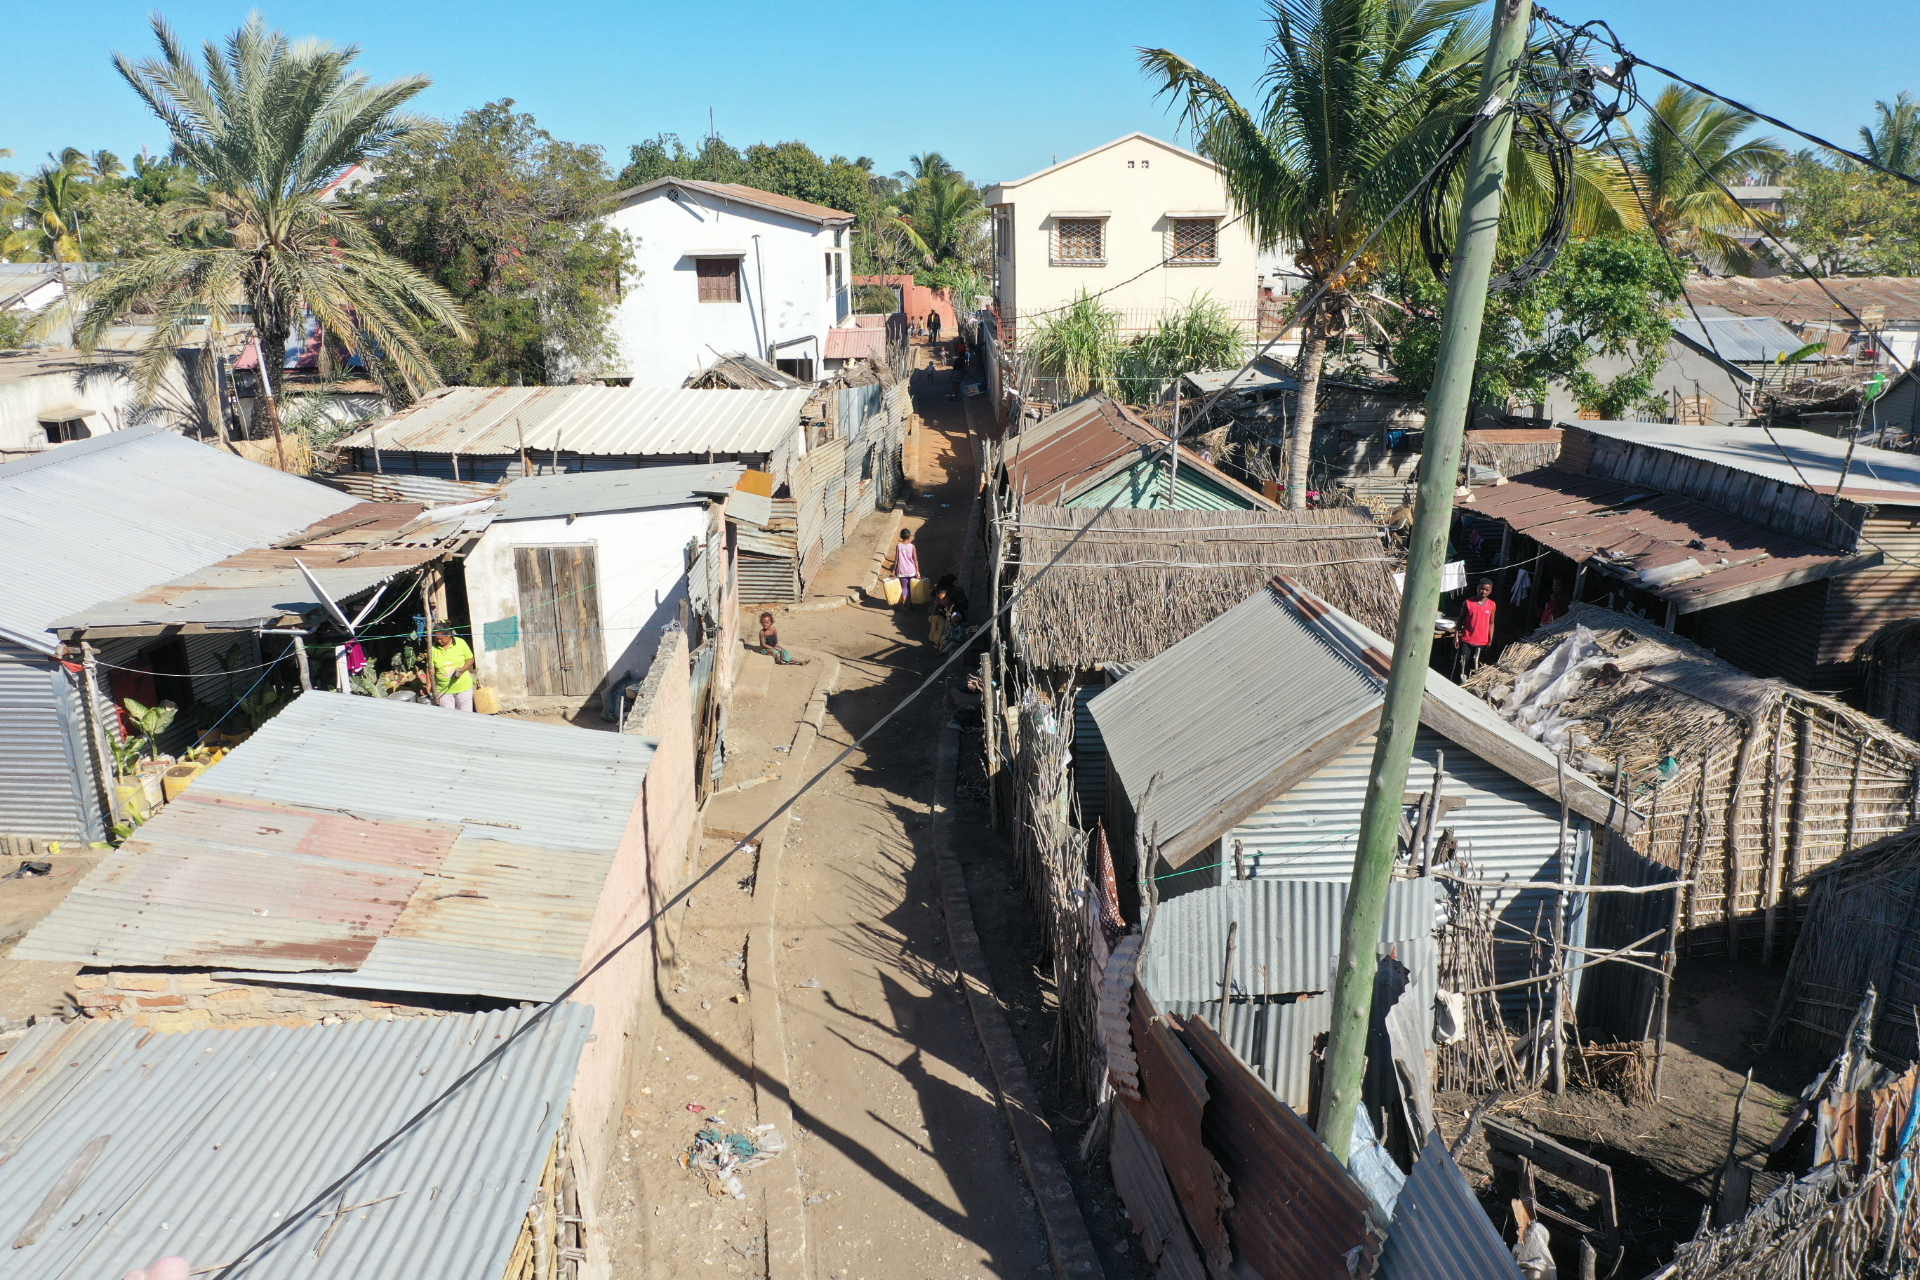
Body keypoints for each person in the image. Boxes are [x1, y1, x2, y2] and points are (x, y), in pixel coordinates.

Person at [423, 624, 477, 710]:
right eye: (436, 638)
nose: (439, 641)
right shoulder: (433, 649)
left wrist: (462, 670)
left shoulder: (460, 643)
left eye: (441, 638)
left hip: (463, 688)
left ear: (448, 635)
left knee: (465, 716)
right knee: (448, 717)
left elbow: (470, 659)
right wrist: (428, 684)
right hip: (443, 690)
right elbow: (430, 668)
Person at [1454, 578, 1497, 677]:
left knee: (1475, 663)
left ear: (1490, 591)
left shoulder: (1492, 605)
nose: (1484, 592)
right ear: (1477, 588)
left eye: (1487, 590)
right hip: (1467, 639)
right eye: (1482, 589)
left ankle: (1471, 683)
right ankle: (1460, 681)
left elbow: (1491, 623)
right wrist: (1456, 636)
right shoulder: (1468, 603)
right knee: (1463, 662)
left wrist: (1490, 639)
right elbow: (1460, 619)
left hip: (1481, 641)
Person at [928, 575, 969, 649]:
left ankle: (939, 638)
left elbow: (939, 601)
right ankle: (935, 636)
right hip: (952, 614)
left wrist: (937, 591)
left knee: (935, 612)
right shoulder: (953, 591)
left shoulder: (953, 594)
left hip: (957, 617)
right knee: (933, 612)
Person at [893, 528, 920, 605]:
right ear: (910, 536)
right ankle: (911, 603)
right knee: (911, 587)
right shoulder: (912, 546)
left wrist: (894, 570)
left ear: (901, 536)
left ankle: (904, 603)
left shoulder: (898, 546)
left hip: (902, 570)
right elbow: (915, 560)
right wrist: (917, 571)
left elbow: (896, 559)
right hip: (911, 570)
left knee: (904, 587)